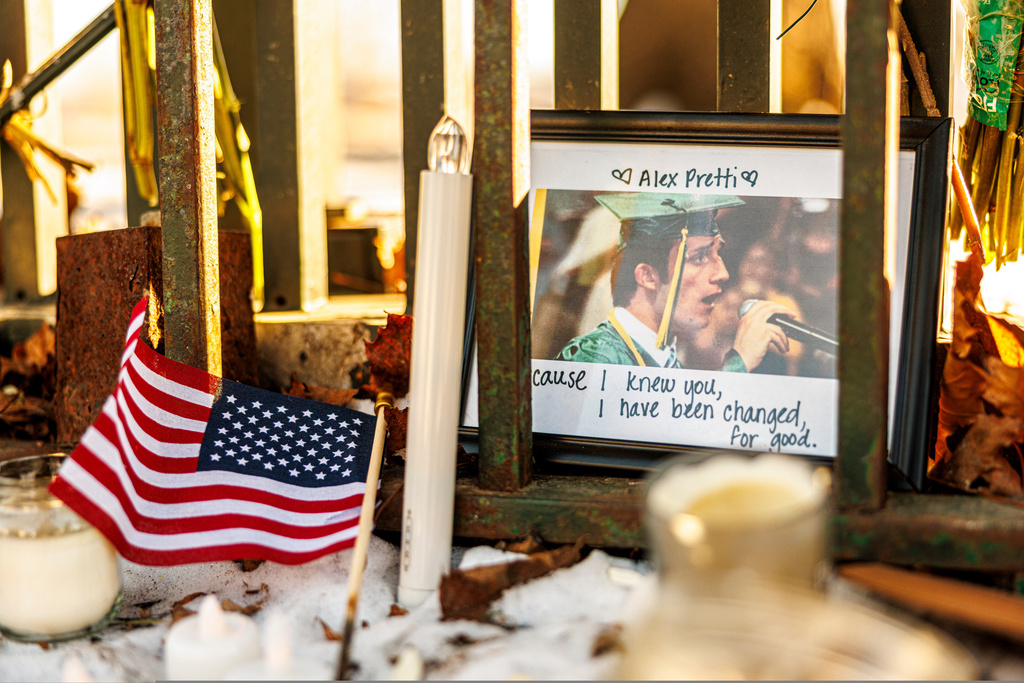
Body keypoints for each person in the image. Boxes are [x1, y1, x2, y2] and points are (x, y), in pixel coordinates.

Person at [556, 192, 796, 372]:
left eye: (717, 254)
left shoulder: (666, 352)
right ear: (648, 276)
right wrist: (739, 362)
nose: (723, 273)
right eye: (700, 256)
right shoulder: (593, 359)